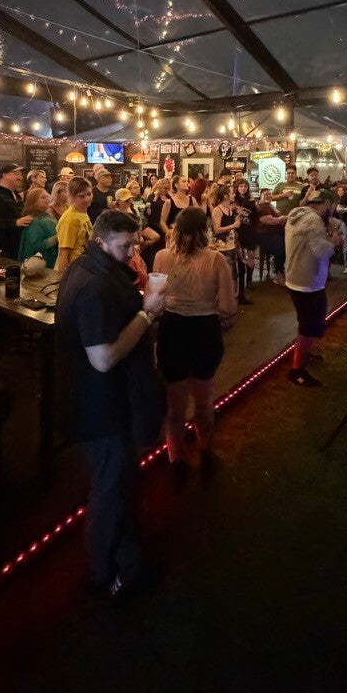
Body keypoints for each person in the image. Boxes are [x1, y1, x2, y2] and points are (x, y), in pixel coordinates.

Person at [55, 210, 166, 597]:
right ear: (100, 242)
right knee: (111, 489)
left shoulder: (87, 268)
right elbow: (103, 358)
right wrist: (146, 314)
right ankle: (109, 575)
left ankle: (120, 561)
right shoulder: (94, 285)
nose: (132, 250)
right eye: (124, 245)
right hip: (99, 406)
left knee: (118, 484)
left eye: (134, 242)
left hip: (98, 401)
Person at [153, 208, 236, 483]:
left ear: (175, 229)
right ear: (205, 231)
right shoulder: (216, 260)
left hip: (172, 331)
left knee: (174, 406)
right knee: (203, 401)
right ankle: (205, 451)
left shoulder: (161, 257)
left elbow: (155, 302)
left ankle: (176, 461)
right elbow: (227, 307)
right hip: (204, 332)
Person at [284, 189, 343, 387]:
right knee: (309, 325)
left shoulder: (298, 214)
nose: (333, 211)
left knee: (310, 322)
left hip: (297, 277)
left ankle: (305, 354)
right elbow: (321, 252)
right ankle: (296, 370)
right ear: (326, 202)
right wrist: (333, 241)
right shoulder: (314, 221)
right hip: (307, 282)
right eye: (333, 206)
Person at [0, 164, 32, 259]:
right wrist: (16, 222)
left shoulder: (14, 195)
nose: (20, 177)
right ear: (4, 175)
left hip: (14, 248)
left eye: (21, 175)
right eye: (16, 174)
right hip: (2, 251)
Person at [56, 176, 93, 274]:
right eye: (81, 196)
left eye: (89, 194)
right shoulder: (70, 218)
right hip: (73, 270)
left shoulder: (82, 212)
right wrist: (63, 279)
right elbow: (64, 253)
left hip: (83, 266)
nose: (87, 199)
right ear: (72, 196)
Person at [18, 187, 58, 268]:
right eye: (43, 197)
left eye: (47, 196)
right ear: (34, 202)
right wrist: (57, 238)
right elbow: (34, 246)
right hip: (42, 263)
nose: (47, 198)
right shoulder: (34, 221)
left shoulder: (48, 216)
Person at [255, 188, 286, 283]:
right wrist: (283, 218)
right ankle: (278, 274)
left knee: (286, 244)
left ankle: (279, 268)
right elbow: (270, 221)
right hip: (265, 235)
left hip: (273, 233)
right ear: (261, 196)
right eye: (265, 194)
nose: (268, 196)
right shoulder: (264, 206)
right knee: (281, 248)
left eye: (269, 194)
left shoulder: (270, 205)